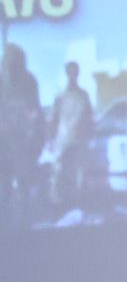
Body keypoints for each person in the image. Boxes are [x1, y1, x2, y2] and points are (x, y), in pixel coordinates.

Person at [0, 44, 43, 227]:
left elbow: (35, 110)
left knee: (24, 183)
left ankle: (24, 220)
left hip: (23, 142)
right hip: (4, 141)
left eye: (15, 60)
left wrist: (34, 137)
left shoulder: (29, 81)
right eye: (8, 60)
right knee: (5, 183)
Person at [43, 60, 94, 215]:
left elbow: (89, 118)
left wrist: (90, 136)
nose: (73, 75)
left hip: (79, 139)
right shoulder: (60, 96)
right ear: (67, 74)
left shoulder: (84, 95)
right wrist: (50, 140)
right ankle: (57, 204)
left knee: (79, 172)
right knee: (58, 171)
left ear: (78, 73)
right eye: (70, 72)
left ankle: (78, 203)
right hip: (63, 139)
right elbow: (53, 118)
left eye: (75, 71)